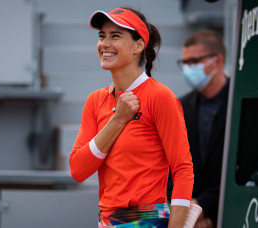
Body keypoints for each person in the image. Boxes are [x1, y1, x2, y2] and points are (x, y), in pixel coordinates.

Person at [69, 7, 194, 228]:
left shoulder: (160, 96)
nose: (105, 44)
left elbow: (183, 170)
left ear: (138, 46)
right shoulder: (95, 100)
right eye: (101, 36)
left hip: (148, 220)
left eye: (115, 36)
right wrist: (118, 120)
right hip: (106, 221)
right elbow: (78, 170)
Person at [167, 29, 229, 228]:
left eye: (193, 62)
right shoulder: (180, 106)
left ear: (218, 62)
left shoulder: (241, 103)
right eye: (184, 63)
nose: (187, 68)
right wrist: (186, 207)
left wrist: (204, 207)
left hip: (230, 213)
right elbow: (170, 165)